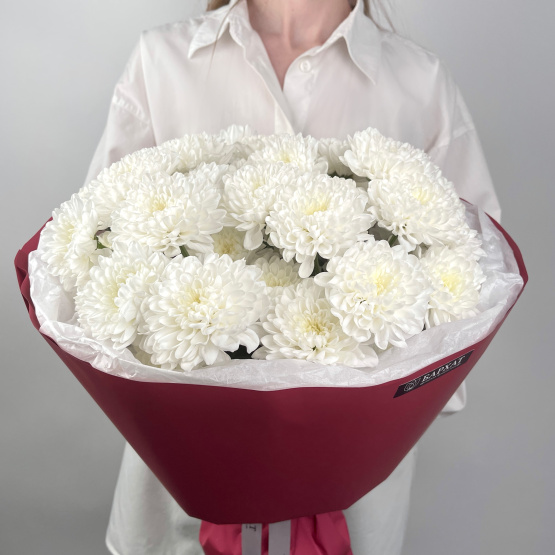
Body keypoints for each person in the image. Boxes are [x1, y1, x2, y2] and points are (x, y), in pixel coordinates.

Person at [83, 0, 501, 553]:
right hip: (176, 500)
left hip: (352, 495)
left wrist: (404, 391)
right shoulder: (162, 60)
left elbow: (475, 278)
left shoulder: (419, 82)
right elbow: (91, 253)